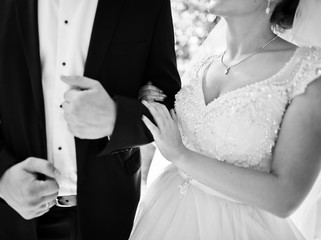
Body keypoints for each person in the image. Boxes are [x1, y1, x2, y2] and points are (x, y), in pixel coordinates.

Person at [0, 0, 181, 239]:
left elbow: (168, 104)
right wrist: (0, 176)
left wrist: (116, 118)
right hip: (18, 219)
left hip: (112, 214)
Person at [131, 0, 321, 239]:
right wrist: (150, 101)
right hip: (164, 214)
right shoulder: (205, 63)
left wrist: (181, 155)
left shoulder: (306, 71)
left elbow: (286, 197)